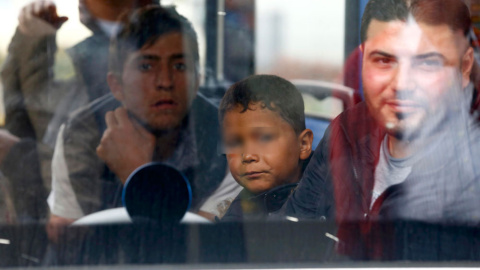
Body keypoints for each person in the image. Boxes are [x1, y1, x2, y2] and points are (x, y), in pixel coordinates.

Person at [282, 0, 480, 259]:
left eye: (427, 63)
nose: (402, 83)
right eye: (384, 60)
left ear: (464, 67)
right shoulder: (347, 132)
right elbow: (286, 240)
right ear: (363, 56)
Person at [47, 6, 241, 237]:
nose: (165, 82)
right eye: (146, 66)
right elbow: (67, 243)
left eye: (180, 66)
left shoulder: (230, 138)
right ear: (116, 85)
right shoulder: (82, 134)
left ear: (197, 80)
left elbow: (202, 248)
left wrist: (137, 174)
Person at [0, 0, 158, 222]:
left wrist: (17, 154)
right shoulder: (96, 61)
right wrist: (30, 37)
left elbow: (86, 182)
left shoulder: (133, 68)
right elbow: (35, 107)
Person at [218, 75, 313, 221]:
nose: (248, 156)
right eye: (235, 142)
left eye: (265, 138)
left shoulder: (336, 197)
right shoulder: (236, 215)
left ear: (303, 145)